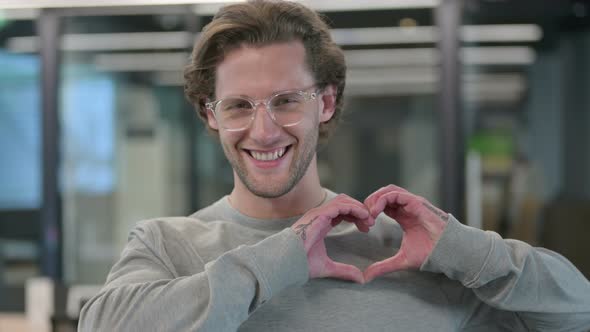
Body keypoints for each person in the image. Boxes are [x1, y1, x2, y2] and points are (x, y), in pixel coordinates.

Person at [78, 1, 590, 331]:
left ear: (325, 102)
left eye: (286, 100)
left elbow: (577, 311)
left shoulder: (412, 254)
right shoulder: (167, 246)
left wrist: (466, 250)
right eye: (238, 106)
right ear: (210, 116)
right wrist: (278, 261)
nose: (263, 130)